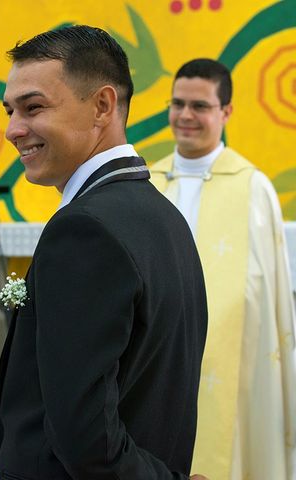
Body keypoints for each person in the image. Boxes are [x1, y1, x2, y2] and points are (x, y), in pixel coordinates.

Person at [0, 25, 209, 479]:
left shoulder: (85, 230)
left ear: (102, 106)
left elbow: (89, 441)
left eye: (33, 107)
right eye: (9, 111)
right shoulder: (161, 214)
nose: (13, 130)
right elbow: (115, 389)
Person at [150, 58, 296, 480]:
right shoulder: (148, 182)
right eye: (177, 104)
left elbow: (266, 296)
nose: (185, 116)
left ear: (226, 112)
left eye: (200, 106)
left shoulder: (252, 187)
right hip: (157, 356)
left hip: (232, 364)